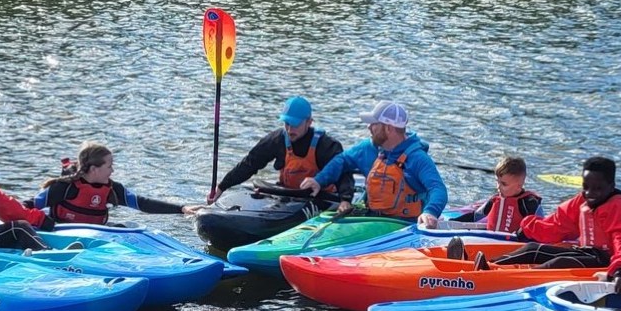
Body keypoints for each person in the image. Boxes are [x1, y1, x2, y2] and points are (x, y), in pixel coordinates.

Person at [481, 156, 621, 284]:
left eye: (597, 188)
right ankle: (486, 267)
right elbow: (556, 225)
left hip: (607, 262)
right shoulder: (583, 201)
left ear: (611, 185)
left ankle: (505, 279)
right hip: (586, 252)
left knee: (559, 262)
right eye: (586, 187)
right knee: (532, 249)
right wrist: (528, 227)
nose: (590, 193)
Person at [299, 99, 448, 229]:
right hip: (371, 218)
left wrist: (430, 212)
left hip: (403, 225)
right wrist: (318, 180)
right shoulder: (370, 148)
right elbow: (342, 160)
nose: (369, 127)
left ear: (388, 128)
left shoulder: (417, 158)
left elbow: (438, 189)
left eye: (373, 124)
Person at [205, 96, 354, 205]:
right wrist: (221, 186)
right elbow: (250, 163)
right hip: (287, 195)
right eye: (286, 124)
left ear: (309, 122)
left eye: (294, 125)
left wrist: (345, 200)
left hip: (321, 197)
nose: (289, 129)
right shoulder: (277, 139)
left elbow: (343, 172)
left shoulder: (326, 145)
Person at [33, 142, 201, 224]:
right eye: (109, 166)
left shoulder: (112, 189)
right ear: (94, 169)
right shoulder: (63, 187)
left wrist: (181, 209)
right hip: (62, 236)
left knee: (124, 227)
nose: (112, 171)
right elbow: (29, 205)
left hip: (94, 238)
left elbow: (142, 203)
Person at [447, 156, 543, 253]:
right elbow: (475, 216)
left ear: (519, 185)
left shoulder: (529, 203)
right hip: (491, 243)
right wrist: (451, 223)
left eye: (504, 184)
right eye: (497, 182)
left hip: (515, 248)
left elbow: (539, 228)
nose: (498, 187)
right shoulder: (495, 200)